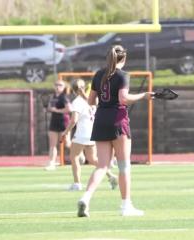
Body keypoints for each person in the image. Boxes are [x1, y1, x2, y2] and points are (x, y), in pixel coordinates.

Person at [77, 45, 153, 217]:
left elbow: (90, 100)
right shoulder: (123, 75)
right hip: (118, 121)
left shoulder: (98, 74)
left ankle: (86, 198)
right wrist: (144, 95)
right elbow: (123, 99)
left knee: (102, 166)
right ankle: (126, 206)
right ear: (124, 59)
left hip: (101, 120)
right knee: (124, 166)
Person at [61, 79, 118, 191]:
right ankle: (111, 176)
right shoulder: (91, 100)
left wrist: (66, 132)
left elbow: (73, 121)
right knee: (92, 159)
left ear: (73, 90)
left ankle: (77, 184)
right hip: (92, 133)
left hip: (82, 134)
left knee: (74, 157)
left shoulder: (77, 101)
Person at [45, 80, 71, 171]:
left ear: (64, 87)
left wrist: (56, 110)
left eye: (60, 85)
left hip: (63, 122)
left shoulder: (64, 97)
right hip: (54, 122)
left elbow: (69, 109)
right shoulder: (52, 97)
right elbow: (50, 107)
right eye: (56, 85)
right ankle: (52, 162)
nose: (57, 86)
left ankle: (80, 154)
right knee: (52, 144)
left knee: (67, 143)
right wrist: (48, 109)